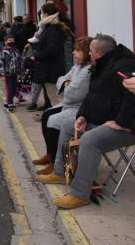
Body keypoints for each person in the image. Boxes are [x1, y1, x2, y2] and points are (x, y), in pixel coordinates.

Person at [39, 34, 135, 209]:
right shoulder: (102, 66)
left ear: (98, 53)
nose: (89, 54)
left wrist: (122, 123)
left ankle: (80, 194)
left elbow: (131, 95)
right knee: (68, 123)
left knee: (90, 140)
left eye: (90, 51)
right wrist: (83, 115)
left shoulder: (124, 66)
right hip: (109, 120)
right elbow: (92, 96)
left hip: (129, 127)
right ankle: (60, 171)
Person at [32, 36, 92, 175]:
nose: (73, 53)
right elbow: (61, 79)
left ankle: (56, 162)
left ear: (87, 52)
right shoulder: (77, 67)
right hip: (70, 103)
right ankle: (50, 154)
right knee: (47, 114)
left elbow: (74, 93)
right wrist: (66, 83)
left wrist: (67, 85)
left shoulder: (87, 71)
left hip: (78, 107)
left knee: (54, 121)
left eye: (77, 50)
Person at [30, 3, 72, 111]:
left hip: (52, 70)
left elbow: (52, 50)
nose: (41, 16)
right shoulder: (50, 28)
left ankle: (57, 123)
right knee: (53, 98)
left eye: (42, 13)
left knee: (55, 100)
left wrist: (36, 56)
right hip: (49, 69)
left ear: (46, 14)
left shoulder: (53, 29)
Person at [0, 35, 21, 111]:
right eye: (9, 40)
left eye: (12, 40)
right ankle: (9, 104)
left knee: (14, 89)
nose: (11, 42)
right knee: (9, 89)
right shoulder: (4, 51)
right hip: (7, 74)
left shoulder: (16, 50)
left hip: (15, 73)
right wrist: (2, 75)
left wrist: (21, 72)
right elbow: (1, 64)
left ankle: (8, 101)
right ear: (5, 42)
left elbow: (19, 61)